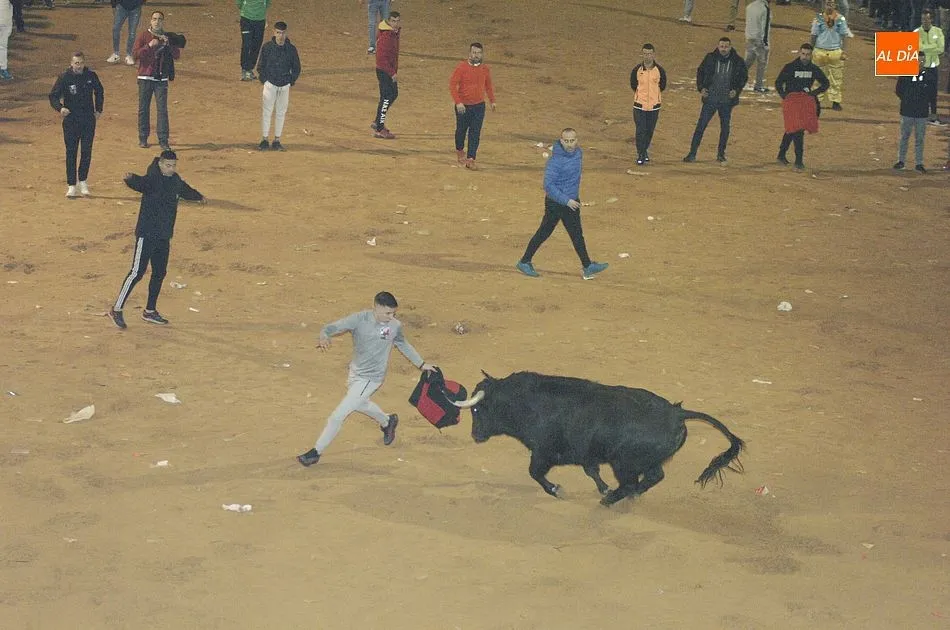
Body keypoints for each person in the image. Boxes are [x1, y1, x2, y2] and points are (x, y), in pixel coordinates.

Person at [296, 291, 436, 467]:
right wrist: (324, 335)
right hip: (355, 374)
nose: (391, 317)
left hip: (372, 378)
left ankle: (316, 452)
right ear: (375, 307)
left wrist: (422, 364)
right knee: (360, 403)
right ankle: (387, 421)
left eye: (393, 313)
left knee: (337, 416)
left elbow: (403, 344)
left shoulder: (394, 325)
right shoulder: (359, 319)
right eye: (387, 313)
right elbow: (332, 327)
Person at [108, 150, 205, 329]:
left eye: (174, 165)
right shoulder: (151, 179)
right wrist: (129, 178)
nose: (171, 168)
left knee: (160, 273)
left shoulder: (175, 181)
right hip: (147, 235)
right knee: (137, 272)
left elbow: (187, 191)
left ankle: (150, 311)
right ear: (160, 164)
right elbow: (138, 183)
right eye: (168, 165)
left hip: (163, 236)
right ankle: (116, 309)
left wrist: (200, 197)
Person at [516, 128, 609, 281]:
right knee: (547, 232)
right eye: (566, 141)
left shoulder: (579, 154)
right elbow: (548, 185)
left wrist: (573, 199)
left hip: (572, 202)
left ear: (577, 140)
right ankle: (525, 261)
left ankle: (587, 266)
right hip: (557, 204)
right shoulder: (555, 162)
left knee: (575, 234)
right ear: (561, 141)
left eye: (572, 140)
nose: (570, 144)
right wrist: (567, 200)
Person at [683, 37, 748, 164]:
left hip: (726, 101)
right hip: (711, 98)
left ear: (730, 47)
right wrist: (701, 88)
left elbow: (743, 77)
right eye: (721, 46)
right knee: (701, 126)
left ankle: (721, 154)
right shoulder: (710, 58)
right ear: (718, 47)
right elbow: (700, 72)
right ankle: (692, 153)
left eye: (726, 47)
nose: (723, 49)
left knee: (724, 128)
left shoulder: (737, 61)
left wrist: (736, 89)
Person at [49, 52, 104, 198]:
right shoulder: (64, 77)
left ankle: (83, 181)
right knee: (71, 152)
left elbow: (99, 91)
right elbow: (53, 96)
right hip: (71, 120)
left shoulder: (91, 76)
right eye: (76, 63)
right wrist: (60, 108)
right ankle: (72, 184)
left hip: (88, 119)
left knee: (86, 151)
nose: (78, 66)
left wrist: (99, 109)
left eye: (81, 62)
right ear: (71, 63)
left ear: (84, 63)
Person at [774, 43, 829, 169]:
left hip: (804, 103)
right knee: (797, 130)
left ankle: (781, 154)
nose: (805, 57)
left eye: (808, 54)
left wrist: (813, 94)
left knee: (793, 129)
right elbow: (778, 82)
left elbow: (825, 83)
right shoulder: (790, 67)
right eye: (803, 54)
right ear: (799, 53)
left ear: (811, 55)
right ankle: (798, 161)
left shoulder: (813, 69)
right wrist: (785, 96)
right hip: (793, 103)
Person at [133, 11, 182, 150]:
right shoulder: (144, 35)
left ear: (163, 22)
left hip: (161, 78)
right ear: (150, 21)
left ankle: (163, 140)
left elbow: (177, 55)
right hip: (145, 77)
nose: (157, 21)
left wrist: (169, 45)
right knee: (143, 109)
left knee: (162, 110)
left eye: (160, 19)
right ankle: (143, 138)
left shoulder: (167, 37)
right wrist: (149, 45)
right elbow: (135, 54)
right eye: (154, 19)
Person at [449, 42, 496, 170]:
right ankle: (459, 150)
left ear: (482, 54)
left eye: (479, 53)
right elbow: (452, 85)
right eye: (474, 52)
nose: (476, 55)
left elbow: (488, 86)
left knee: (475, 133)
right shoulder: (461, 68)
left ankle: (471, 158)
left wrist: (492, 101)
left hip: (479, 106)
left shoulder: (485, 69)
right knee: (461, 131)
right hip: (463, 106)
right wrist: (458, 102)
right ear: (469, 54)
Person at [256, 21, 300, 151]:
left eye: (283, 33)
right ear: (274, 33)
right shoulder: (267, 47)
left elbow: (297, 67)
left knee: (281, 113)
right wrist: (265, 81)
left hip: (284, 85)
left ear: (286, 33)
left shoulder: (291, 49)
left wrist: (290, 81)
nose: (280, 36)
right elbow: (260, 66)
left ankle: (277, 139)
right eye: (278, 33)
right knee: (267, 112)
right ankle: (264, 139)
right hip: (270, 85)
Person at [629, 43, 667, 166]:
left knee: (649, 131)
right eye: (645, 54)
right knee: (640, 130)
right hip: (639, 106)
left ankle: (644, 151)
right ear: (642, 54)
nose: (647, 56)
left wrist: (654, 97)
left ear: (653, 54)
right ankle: (640, 154)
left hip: (654, 107)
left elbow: (663, 86)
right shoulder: (637, 70)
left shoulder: (660, 70)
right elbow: (634, 85)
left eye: (649, 54)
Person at [810, 0, 852, 112]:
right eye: (828, 3)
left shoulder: (840, 19)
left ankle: (835, 101)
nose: (829, 5)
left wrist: (844, 51)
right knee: (817, 78)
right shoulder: (818, 19)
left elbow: (844, 36)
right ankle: (817, 99)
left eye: (831, 3)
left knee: (836, 78)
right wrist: (811, 50)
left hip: (834, 51)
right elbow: (813, 36)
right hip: (820, 50)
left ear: (835, 5)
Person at [893, 58, 933, 173]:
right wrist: (907, 101)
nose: (919, 63)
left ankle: (919, 163)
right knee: (904, 136)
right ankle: (901, 161)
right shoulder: (905, 75)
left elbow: (931, 94)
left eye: (922, 61)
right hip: (908, 111)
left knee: (919, 138)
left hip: (921, 112)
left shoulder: (928, 76)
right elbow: (898, 90)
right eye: (918, 61)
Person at [371, 11, 400, 139]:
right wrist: (392, 72)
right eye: (393, 21)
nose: (396, 23)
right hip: (385, 71)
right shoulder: (387, 36)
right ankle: (379, 127)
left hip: (386, 70)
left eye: (397, 21)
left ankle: (378, 121)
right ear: (388, 21)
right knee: (387, 97)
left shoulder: (392, 33)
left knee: (391, 95)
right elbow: (381, 58)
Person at [915, 9, 945, 125]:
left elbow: (941, 49)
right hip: (921, 67)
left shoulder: (938, 32)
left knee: (933, 92)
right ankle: (920, 114)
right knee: (920, 91)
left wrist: (925, 47)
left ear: (931, 19)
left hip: (933, 66)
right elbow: (917, 48)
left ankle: (933, 115)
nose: (924, 21)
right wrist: (932, 47)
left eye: (927, 19)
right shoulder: (916, 32)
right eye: (923, 19)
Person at [237, 0, 269, 81]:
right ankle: (245, 69)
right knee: (247, 44)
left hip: (260, 20)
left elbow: (268, 3)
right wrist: (246, 10)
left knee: (257, 45)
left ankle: (250, 69)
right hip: (246, 19)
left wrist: (261, 12)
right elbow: (239, 3)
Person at [745, 0, 772, 93]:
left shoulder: (750, 6)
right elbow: (764, 27)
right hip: (759, 40)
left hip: (749, 38)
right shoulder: (765, 8)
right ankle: (759, 85)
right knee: (762, 63)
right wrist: (765, 43)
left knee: (747, 62)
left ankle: (734, 80)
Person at [108, 0, 144, 66]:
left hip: (135, 8)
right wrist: (113, 5)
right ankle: (116, 54)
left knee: (132, 33)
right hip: (121, 7)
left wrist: (139, 3)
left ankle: (129, 55)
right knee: (116, 29)